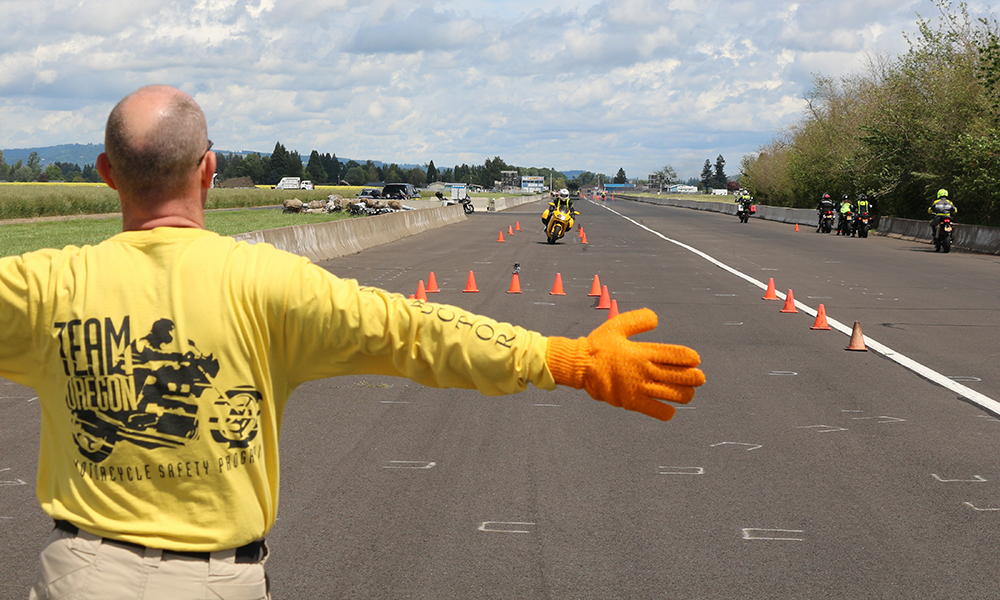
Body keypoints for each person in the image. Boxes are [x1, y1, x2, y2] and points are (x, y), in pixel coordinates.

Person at [0, 86, 705, 599]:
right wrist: (569, 359)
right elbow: (420, 334)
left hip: (82, 578)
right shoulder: (269, 283)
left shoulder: (42, 286)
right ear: (208, 171)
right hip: (220, 582)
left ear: (105, 172)